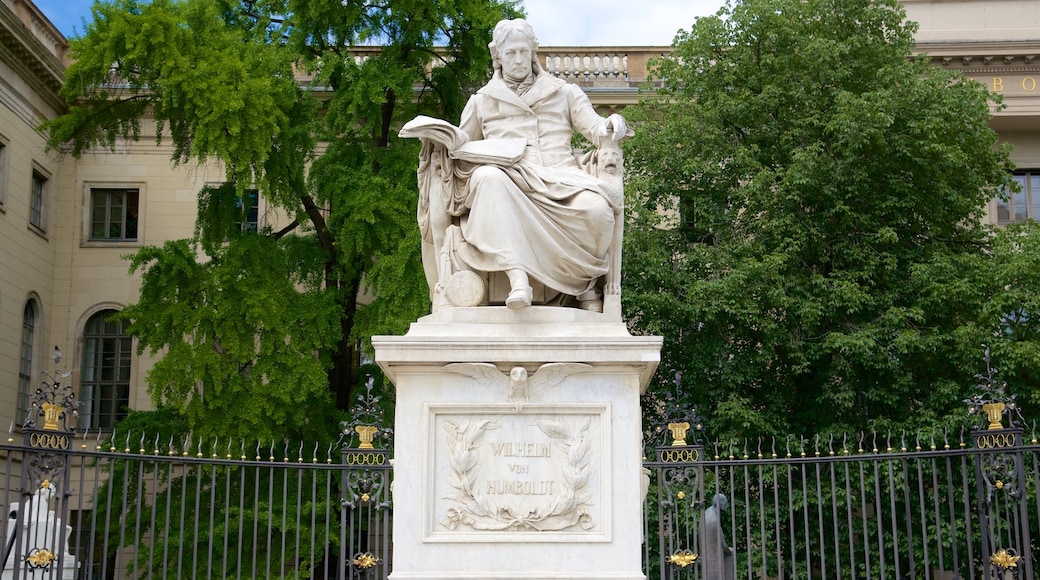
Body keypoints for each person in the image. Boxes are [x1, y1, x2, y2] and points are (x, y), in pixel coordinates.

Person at [407, 18, 630, 312]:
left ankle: (585, 285)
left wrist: (613, 125)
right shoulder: (482, 100)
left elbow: (595, 127)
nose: (518, 59)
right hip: (508, 175)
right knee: (487, 178)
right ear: (498, 56)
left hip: (560, 176)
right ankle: (518, 278)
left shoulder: (564, 92)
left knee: (597, 210)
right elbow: (462, 143)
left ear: (532, 52)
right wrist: (441, 138)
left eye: (523, 52)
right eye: (510, 53)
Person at [701, 493, 735, 580]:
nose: (727, 505)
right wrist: (729, 551)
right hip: (713, 558)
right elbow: (723, 543)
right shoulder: (714, 520)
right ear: (719, 504)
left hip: (706, 553)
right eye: (725, 503)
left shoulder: (707, 512)